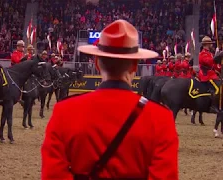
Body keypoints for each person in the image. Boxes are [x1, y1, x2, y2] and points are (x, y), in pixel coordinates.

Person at [41, 20, 178, 180]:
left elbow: (53, 175)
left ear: (97, 64)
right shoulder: (161, 118)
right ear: (134, 65)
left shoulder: (64, 112)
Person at [198, 36, 222, 112]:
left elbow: (214, 65)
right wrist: (218, 55)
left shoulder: (209, 53)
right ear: (207, 44)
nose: (212, 45)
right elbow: (209, 62)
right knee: (218, 88)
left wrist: (219, 66)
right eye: (210, 44)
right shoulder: (203, 53)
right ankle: (213, 106)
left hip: (212, 74)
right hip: (207, 75)